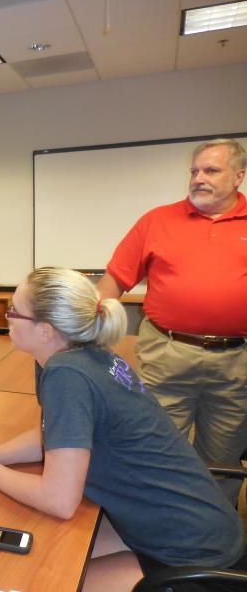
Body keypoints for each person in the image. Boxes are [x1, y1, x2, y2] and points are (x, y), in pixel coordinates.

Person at [0, 267, 246, 592]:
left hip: (196, 562)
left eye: (14, 310)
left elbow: (59, 500)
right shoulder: (81, 355)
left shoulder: (67, 375)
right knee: (43, 554)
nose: (7, 315)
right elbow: (56, 435)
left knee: (40, 579)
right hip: (183, 527)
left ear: (46, 330)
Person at [97, 138, 247, 505]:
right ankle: (160, 531)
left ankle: (217, 533)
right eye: (194, 171)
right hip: (166, 353)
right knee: (156, 449)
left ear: (238, 177)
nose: (198, 178)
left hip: (235, 361)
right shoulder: (157, 220)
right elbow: (115, 279)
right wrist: (87, 327)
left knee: (222, 458)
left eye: (211, 170)